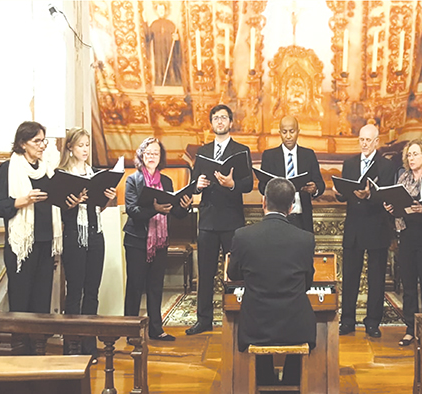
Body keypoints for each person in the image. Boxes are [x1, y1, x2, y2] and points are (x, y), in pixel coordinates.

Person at [227, 178, 316, 385]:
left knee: (259, 332)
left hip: (256, 324)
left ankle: (265, 382)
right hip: (296, 324)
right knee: (299, 325)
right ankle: (291, 383)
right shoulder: (305, 238)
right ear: (292, 207)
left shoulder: (243, 236)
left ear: (263, 202)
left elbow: (233, 274)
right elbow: (307, 284)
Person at [186, 104, 254, 336]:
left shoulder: (241, 150)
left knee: (235, 271)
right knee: (205, 272)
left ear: (231, 122)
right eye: (216, 118)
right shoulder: (203, 151)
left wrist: (231, 184)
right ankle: (203, 320)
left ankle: (237, 317)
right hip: (207, 219)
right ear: (212, 123)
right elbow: (193, 183)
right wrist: (198, 185)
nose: (220, 121)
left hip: (231, 220)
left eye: (224, 118)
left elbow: (248, 184)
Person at [0, 122, 62, 315]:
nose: (42, 145)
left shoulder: (47, 171)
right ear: (23, 144)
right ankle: (20, 344)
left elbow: (56, 201)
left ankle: (39, 344)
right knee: (21, 298)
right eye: (36, 141)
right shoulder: (7, 169)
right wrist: (20, 201)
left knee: (42, 300)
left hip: (46, 243)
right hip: (21, 246)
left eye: (43, 141)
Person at [123, 137, 192, 341]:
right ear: (142, 156)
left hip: (160, 242)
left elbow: (176, 212)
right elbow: (132, 210)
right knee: (135, 287)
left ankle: (156, 329)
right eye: (148, 153)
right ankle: (130, 331)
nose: (152, 156)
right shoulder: (133, 180)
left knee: (155, 287)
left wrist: (185, 206)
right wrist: (154, 210)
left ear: (161, 157)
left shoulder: (167, 181)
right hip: (137, 240)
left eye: (156, 153)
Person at [57, 128, 117, 359]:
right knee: (75, 292)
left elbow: (96, 208)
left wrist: (106, 198)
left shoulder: (93, 173)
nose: (84, 149)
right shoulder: (62, 174)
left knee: (92, 291)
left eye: (87, 145)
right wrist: (71, 204)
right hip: (74, 235)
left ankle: (89, 346)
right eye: (80, 145)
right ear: (70, 147)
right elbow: (59, 211)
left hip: (95, 234)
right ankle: (72, 347)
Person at [335, 124, 396, 338]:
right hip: (354, 227)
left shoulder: (387, 166)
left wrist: (369, 196)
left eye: (368, 140)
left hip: (377, 226)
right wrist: (339, 192)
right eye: (361, 139)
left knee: (376, 278)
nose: (364, 144)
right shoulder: (350, 163)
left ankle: (372, 322)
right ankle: (347, 320)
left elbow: (389, 196)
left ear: (377, 142)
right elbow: (345, 194)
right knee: (350, 277)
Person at [384, 139, 422, 346]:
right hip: (407, 235)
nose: (411, 158)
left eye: (415, 154)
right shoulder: (403, 178)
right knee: (408, 287)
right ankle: (410, 328)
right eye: (409, 155)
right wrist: (392, 208)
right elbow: (398, 202)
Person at [258, 115, 325, 232]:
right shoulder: (269, 156)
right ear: (279, 133)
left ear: (298, 132)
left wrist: (314, 189)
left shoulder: (308, 155)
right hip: (277, 218)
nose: (288, 136)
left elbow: (320, 184)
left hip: (301, 217)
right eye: (284, 132)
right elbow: (261, 186)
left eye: (292, 131)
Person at [146, 2, 182, 86]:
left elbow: (177, 43)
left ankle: (173, 84)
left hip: (170, 53)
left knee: (171, 68)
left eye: (163, 9)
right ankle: (159, 84)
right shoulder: (154, 24)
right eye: (159, 9)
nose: (161, 11)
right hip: (158, 53)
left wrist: (177, 39)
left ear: (166, 11)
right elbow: (147, 38)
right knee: (159, 68)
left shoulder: (171, 25)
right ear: (156, 11)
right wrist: (144, 22)